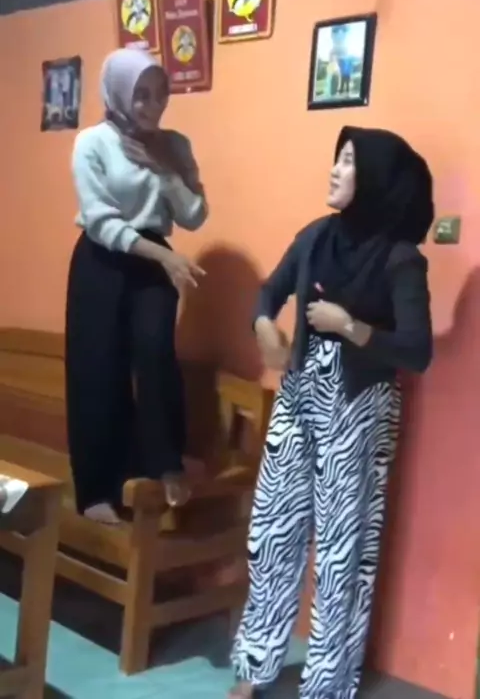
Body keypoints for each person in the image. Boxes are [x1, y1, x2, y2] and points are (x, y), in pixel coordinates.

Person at [229, 126, 434, 699]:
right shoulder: (315, 236)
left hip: (358, 410)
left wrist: (351, 327)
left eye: (348, 162)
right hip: (299, 399)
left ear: (375, 180)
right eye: (336, 159)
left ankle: (326, 683)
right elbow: (268, 293)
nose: (335, 170)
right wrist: (264, 326)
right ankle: (254, 666)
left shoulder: (401, 260)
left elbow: (417, 351)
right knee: (271, 532)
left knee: (341, 553)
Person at [66, 48, 207, 525]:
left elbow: (194, 215)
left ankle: (163, 462)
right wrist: (165, 257)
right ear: (120, 94)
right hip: (101, 259)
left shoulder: (175, 144)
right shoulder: (92, 143)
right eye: (140, 95)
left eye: (160, 94)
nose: (152, 105)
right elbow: (101, 222)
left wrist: (166, 170)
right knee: (98, 368)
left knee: (155, 353)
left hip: (153, 258)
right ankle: (96, 491)